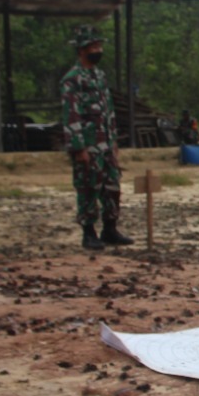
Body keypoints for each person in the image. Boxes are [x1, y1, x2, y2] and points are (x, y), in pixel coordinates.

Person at [60, 24, 132, 251]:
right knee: (88, 187)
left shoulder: (99, 76)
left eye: (99, 45)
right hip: (88, 145)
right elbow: (71, 115)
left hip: (106, 143)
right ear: (82, 49)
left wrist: (114, 142)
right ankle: (88, 232)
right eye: (93, 46)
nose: (98, 50)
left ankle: (110, 229)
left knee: (112, 186)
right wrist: (78, 147)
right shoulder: (72, 79)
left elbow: (108, 110)